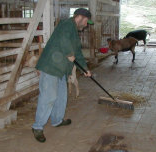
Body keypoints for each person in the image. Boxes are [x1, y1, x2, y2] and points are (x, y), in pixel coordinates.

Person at [32, 8, 93, 143]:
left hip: (61, 69)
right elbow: (64, 40)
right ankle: (37, 127)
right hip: (50, 67)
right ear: (81, 18)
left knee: (61, 97)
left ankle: (57, 120)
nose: (87, 25)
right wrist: (68, 53)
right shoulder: (66, 24)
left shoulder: (75, 33)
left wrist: (85, 69)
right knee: (48, 97)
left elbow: (78, 53)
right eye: (87, 22)